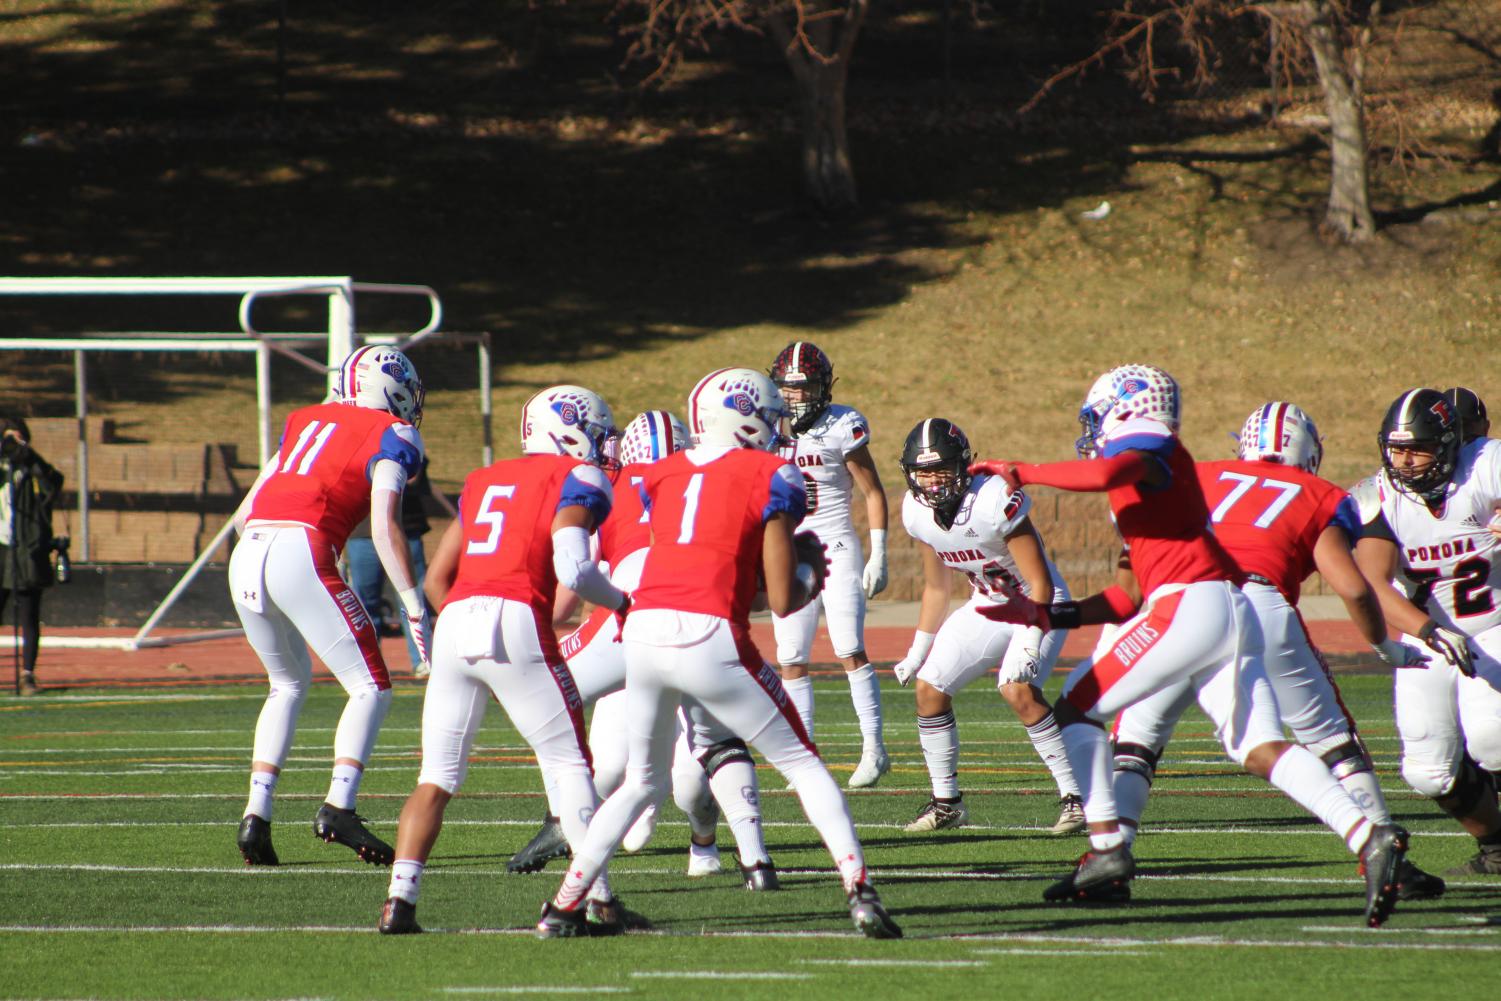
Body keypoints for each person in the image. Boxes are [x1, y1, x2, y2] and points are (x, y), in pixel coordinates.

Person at [970, 364, 1409, 928]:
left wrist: (1022, 471)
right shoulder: (1156, 483)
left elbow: (1123, 464)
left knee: (1077, 708)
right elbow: (1126, 598)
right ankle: (1370, 836)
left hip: (1191, 604)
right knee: (1258, 746)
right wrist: (1050, 613)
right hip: (1223, 608)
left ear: (1124, 408)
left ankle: (1107, 848)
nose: (1091, 433)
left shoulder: (1147, 449)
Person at [537, 367, 900, 939]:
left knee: (642, 782)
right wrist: (807, 569)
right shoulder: (772, 473)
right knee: (803, 762)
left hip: (643, 629)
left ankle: (563, 906)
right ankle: (860, 889)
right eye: (771, 414)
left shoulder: (654, 475)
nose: (778, 426)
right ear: (747, 416)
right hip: (708, 632)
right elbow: (781, 599)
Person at [1106, 401, 1445, 899]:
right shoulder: (1318, 493)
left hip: (1181, 604)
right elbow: (1352, 589)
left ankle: (1111, 859)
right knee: (1331, 740)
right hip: (1259, 607)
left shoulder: (1198, 475)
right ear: (1310, 453)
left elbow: (1138, 550)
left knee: (1136, 739)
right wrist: (1382, 645)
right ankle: (1383, 849)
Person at [378, 384, 632, 935]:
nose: (602, 446)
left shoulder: (483, 478)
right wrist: (623, 605)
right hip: (514, 618)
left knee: (436, 776)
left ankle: (399, 901)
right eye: (594, 431)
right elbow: (575, 572)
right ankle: (596, 901)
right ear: (568, 429)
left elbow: (437, 581)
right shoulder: (577, 478)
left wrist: (475, 641)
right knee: (571, 766)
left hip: (457, 622)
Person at [508, 410, 781, 890]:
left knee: (548, 698)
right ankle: (747, 858)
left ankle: (560, 820)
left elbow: (576, 579)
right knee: (709, 752)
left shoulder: (605, 485)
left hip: (632, 613)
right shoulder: (707, 482)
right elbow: (754, 587)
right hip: (699, 614)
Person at [228, 345, 428, 868]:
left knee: (286, 685)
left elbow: (246, 511)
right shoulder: (394, 432)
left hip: (248, 552)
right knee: (372, 687)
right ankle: (340, 805)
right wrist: (414, 606)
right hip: (301, 549)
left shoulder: (304, 421)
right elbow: (385, 527)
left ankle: (257, 814)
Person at [890, 417, 1085, 836]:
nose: (932, 481)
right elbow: (936, 588)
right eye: (923, 472)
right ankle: (947, 804)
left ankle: (1078, 797)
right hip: (987, 603)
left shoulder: (994, 498)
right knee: (930, 688)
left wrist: (1032, 640)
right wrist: (917, 651)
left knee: (1017, 689)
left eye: (941, 469)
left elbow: (1040, 583)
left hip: (1039, 603)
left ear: (963, 466)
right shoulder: (916, 513)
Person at [1352, 388, 1501, 879]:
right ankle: (1497, 846)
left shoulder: (1484, 465)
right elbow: (1372, 582)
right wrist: (1427, 630)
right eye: (1397, 449)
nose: (1406, 460)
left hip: (1495, 621)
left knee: (1491, 737)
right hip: (1429, 636)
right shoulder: (1380, 495)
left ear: (1449, 444)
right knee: (1427, 771)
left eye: (1417, 448)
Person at [769, 342, 893, 787]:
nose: (795, 397)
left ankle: (874, 749)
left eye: (804, 389)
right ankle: (803, 756)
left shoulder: (843, 424)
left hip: (835, 542)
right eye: (788, 388)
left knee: (848, 647)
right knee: (791, 657)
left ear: (823, 388)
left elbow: (873, 491)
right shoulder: (767, 425)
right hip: (789, 547)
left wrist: (879, 551)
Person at [345, 459, 455, 677]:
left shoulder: (403, 445)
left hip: (405, 532)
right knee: (364, 602)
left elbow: (412, 480)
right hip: (363, 535)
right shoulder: (354, 449)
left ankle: (422, 660)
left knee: (413, 599)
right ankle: (368, 664)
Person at [0, 417, 64, 697]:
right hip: (1, 546)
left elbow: (53, 483)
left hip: (26, 549)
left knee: (28, 613)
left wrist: (29, 456)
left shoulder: (34, 471)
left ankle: (27, 674)